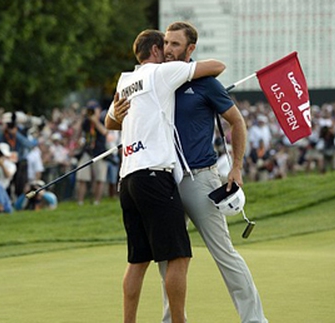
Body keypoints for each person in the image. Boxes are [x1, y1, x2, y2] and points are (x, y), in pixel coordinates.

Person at [110, 22, 268, 323]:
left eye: (175, 44)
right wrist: (115, 118)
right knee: (168, 259)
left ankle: (255, 319)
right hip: (164, 180)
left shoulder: (204, 82)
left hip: (200, 178)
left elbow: (237, 122)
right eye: (166, 43)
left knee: (224, 253)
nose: (168, 49)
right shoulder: (153, 78)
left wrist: (236, 166)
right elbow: (120, 119)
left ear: (190, 49)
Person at [105, 29, 225, 323]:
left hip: (128, 179)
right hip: (155, 176)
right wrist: (184, 68)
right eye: (166, 46)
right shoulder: (161, 73)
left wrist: (118, 116)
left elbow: (110, 122)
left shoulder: (125, 81)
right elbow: (217, 66)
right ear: (156, 51)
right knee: (178, 255)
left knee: (138, 260)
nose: (169, 51)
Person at [76, 100, 108, 206]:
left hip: (100, 151)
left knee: (100, 178)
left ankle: (97, 201)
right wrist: (82, 118)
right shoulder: (86, 122)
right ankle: (80, 202)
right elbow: (77, 133)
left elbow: (105, 132)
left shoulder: (103, 120)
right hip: (87, 151)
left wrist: (95, 121)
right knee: (82, 176)